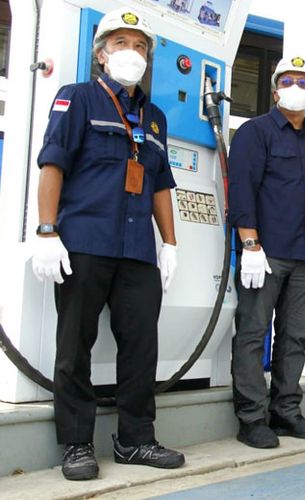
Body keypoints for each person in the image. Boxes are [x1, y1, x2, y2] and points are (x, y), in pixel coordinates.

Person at [31, 7, 184, 481]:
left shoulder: (154, 119)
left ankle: (135, 439)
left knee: (141, 346)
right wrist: (47, 230)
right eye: (121, 43)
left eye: (139, 46)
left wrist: (170, 244)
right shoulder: (76, 98)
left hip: (137, 249)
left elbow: (160, 185)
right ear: (101, 54)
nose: (131, 53)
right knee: (74, 345)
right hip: (84, 243)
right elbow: (53, 165)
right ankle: (77, 443)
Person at [228, 55, 305, 449]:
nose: (295, 89)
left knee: (294, 337)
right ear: (274, 91)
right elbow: (242, 189)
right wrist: (250, 244)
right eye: (287, 81)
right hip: (265, 252)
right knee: (253, 334)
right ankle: (252, 418)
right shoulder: (255, 132)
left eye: (304, 83)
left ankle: (286, 410)